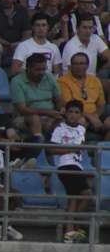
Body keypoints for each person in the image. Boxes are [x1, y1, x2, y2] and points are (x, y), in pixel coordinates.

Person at [50, 100, 95, 243]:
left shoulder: (82, 129)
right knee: (88, 195)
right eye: (70, 112)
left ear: (81, 115)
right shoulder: (59, 128)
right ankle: (76, 227)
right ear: (66, 113)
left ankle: (69, 233)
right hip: (66, 166)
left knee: (74, 199)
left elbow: (78, 147)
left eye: (76, 112)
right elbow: (52, 149)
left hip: (77, 166)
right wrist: (71, 149)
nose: (73, 115)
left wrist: (72, 148)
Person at [11, 53, 65, 143]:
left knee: (62, 122)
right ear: (28, 68)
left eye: (43, 69)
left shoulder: (50, 78)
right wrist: (46, 112)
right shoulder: (17, 82)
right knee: (34, 118)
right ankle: (38, 149)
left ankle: (56, 149)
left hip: (48, 117)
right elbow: (22, 110)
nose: (41, 72)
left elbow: (59, 98)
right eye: (38, 70)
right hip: (24, 117)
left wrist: (62, 107)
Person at [57, 53, 109, 139]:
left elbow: (101, 105)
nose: (79, 67)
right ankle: (78, 149)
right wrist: (90, 117)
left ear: (87, 65)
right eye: (75, 64)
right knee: (80, 120)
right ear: (71, 65)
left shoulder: (95, 80)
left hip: (96, 114)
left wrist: (95, 116)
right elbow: (69, 106)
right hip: (76, 114)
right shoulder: (63, 81)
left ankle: (104, 150)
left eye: (82, 64)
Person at [12, 12, 63, 77]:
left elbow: (58, 74)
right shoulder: (23, 46)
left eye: (43, 25)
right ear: (33, 28)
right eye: (38, 25)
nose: (41, 28)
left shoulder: (54, 48)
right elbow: (14, 70)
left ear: (48, 27)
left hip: (47, 83)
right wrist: (35, 72)